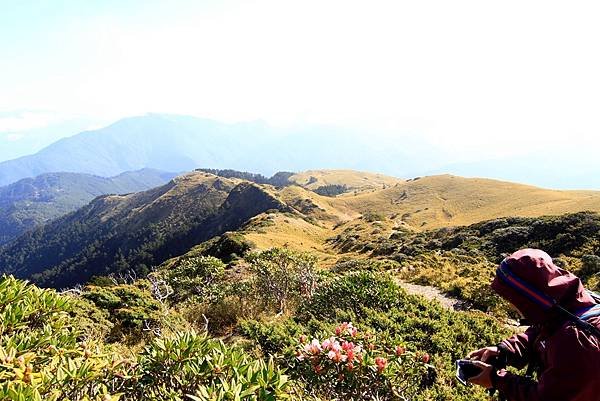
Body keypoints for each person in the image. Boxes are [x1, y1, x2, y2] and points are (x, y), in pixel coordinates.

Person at [467, 248, 600, 401]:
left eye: (513, 300)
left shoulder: (576, 341)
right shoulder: (568, 304)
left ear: (528, 300)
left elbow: (548, 397)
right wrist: (505, 350)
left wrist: (496, 380)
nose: (511, 306)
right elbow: (542, 331)